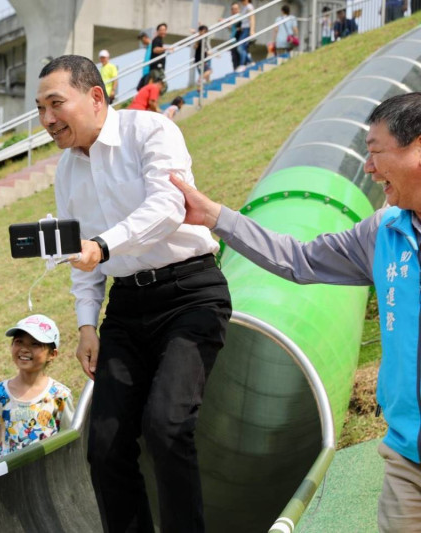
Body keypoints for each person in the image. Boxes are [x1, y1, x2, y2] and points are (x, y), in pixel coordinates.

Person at [169, 92, 421, 533]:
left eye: (377, 152)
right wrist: (215, 216)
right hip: (407, 458)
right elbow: (299, 258)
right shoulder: (384, 232)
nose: (368, 167)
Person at [36, 56, 231, 532]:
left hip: (190, 294)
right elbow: (77, 258)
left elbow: (169, 207)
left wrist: (102, 246)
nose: (47, 120)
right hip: (126, 308)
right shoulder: (65, 171)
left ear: (96, 97)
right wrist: (87, 325)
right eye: (40, 109)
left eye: (56, 104)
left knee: (166, 427)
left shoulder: (151, 132)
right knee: (103, 445)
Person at [0, 314, 74, 459]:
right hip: (12, 476)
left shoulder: (59, 395)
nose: (24, 349)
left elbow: (73, 432)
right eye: (19, 342)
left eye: (35, 344)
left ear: (52, 354)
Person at [137, 24, 172, 93]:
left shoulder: (153, 43)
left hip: (151, 69)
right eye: (161, 30)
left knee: (157, 87)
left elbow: (155, 49)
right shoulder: (151, 44)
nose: (142, 42)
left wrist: (166, 48)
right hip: (149, 70)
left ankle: (153, 99)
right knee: (143, 88)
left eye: (142, 40)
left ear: (144, 38)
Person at [236, 0, 256, 72]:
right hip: (244, 29)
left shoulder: (249, 6)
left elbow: (252, 18)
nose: (242, 1)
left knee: (240, 47)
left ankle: (242, 64)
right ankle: (250, 62)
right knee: (242, 47)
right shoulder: (244, 7)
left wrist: (252, 30)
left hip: (248, 29)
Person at [225, 3, 243, 70]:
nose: (234, 10)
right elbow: (232, 28)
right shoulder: (232, 18)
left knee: (238, 58)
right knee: (234, 59)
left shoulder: (240, 17)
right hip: (233, 41)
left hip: (238, 40)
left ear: (239, 9)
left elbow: (239, 27)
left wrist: (227, 21)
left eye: (236, 9)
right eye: (232, 9)